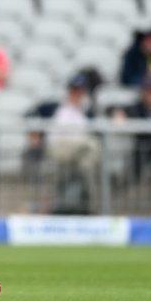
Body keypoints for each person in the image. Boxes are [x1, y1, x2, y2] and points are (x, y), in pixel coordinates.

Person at [47, 75, 99, 214]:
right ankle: (89, 201)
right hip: (61, 148)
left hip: (78, 153)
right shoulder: (61, 109)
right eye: (75, 91)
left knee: (86, 163)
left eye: (81, 91)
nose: (78, 95)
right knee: (92, 145)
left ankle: (87, 203)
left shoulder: (85, 111)